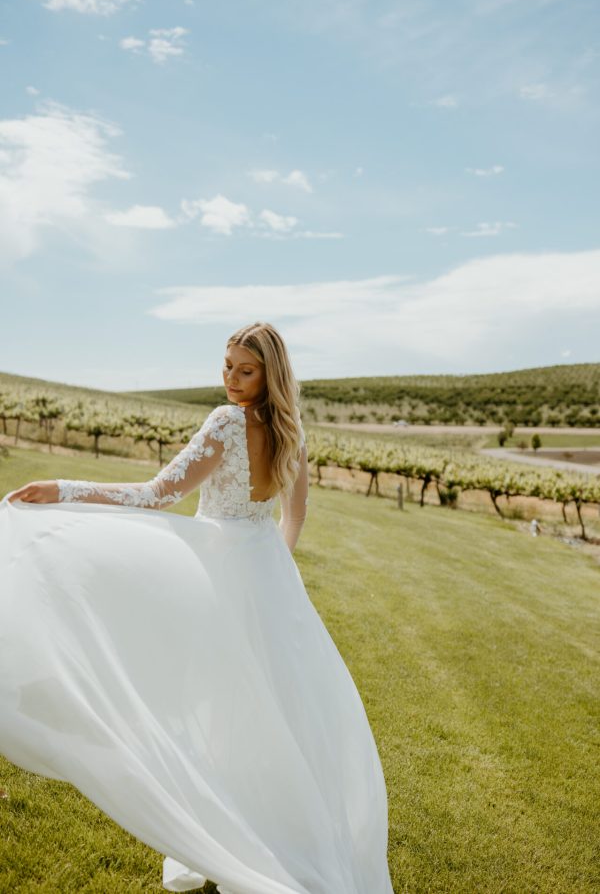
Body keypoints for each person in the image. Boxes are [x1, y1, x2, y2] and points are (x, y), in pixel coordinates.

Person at [0, 322, 394, 894]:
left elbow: (156, 495)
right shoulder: (291, 430)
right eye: (227, 365)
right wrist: (270, 575)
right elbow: (294, 516)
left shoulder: (227, 423)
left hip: (222, 571)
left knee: (222, 707)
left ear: (270, 374)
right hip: (268, 578)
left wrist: (63, 488)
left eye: (246, 369)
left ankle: (235, 837)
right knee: (270, 713)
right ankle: (270, 832)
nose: (231, 379)